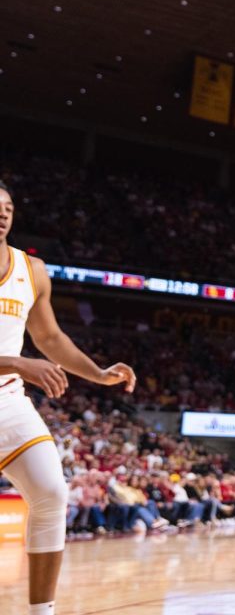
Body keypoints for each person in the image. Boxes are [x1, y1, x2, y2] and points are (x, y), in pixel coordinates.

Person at [0, 180, 138, 615]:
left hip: (6, 400)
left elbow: (50, 338)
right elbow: (29, 357)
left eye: (8, 206)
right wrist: (19, 363)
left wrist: (98, 374)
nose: (2, 213)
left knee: (51, 493)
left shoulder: (31, 269)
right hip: (13, 377)